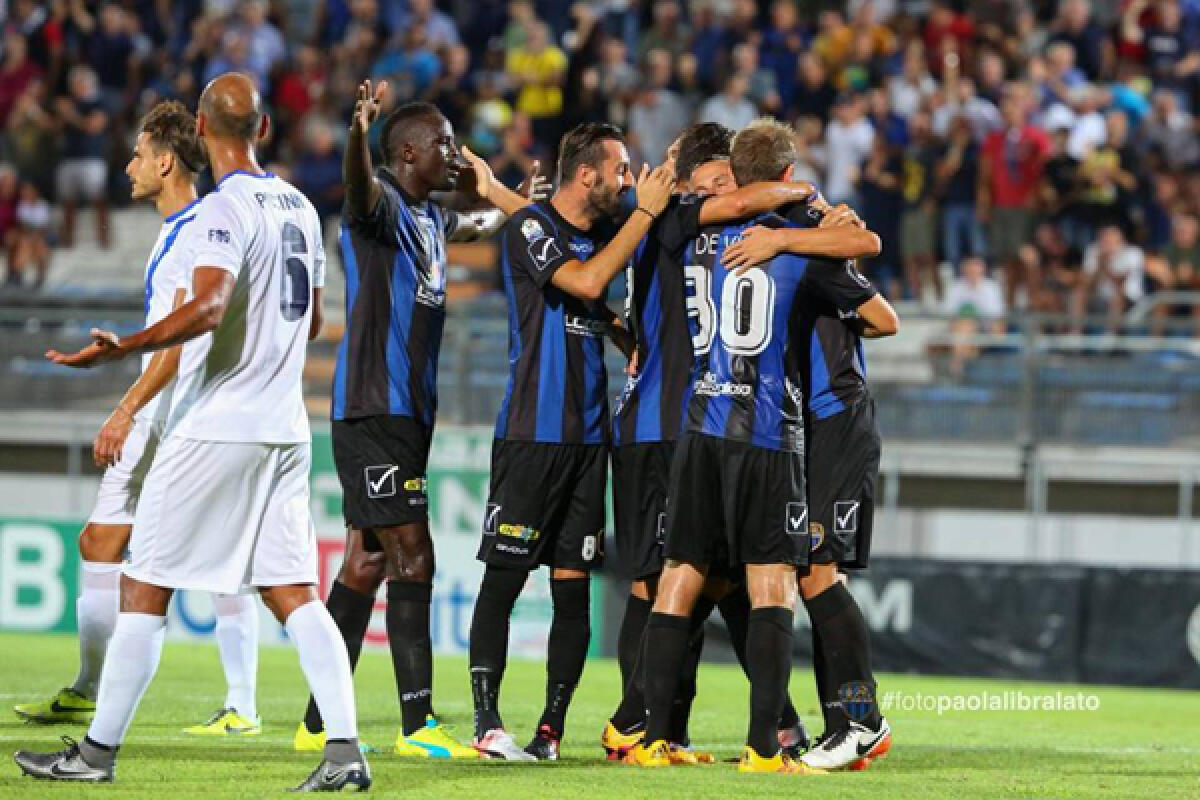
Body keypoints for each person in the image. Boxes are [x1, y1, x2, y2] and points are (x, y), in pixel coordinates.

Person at [16, 73, 367, 792]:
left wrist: (126, 346)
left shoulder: (220, 212)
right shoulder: (301, 206)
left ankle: (95, 755)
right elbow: (321, 320)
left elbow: (207, 308)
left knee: (143, 586)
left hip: (218, 426)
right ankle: (345, 753)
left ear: (202, 132)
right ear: (263, 127)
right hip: (285, 428)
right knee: (294, 591)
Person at [605, 121, 878, 763]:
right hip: (769, 428)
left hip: (699, 422)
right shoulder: (787, 241)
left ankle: (651, 736)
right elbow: (876, 289)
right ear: (782, 177)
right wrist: (813, 216)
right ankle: (800, 735)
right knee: (784, 580)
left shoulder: (686, 229)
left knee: (678, 577)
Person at [294, 82, 532, 761]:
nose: (455, 154)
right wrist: (354, 136)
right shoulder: (381, 209)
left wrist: (520, 199)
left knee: (367, 563)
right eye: (444, 144)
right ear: (406, 153)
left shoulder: (431, 219)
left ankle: (316, 719)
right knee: (413, 556)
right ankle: (417, 726)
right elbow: (357, 187)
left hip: (406, 415)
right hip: (376, 408)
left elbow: (483, 223)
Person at [11, 100, 263, 737]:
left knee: (173, 553)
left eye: (137, 156)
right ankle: (111, 692)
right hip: (182, 411)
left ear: (166, 161)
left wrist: (125, 409)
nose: (127, 168)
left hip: (176, 414)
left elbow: (180, 345)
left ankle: (119, 696)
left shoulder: (205, 226)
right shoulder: (180, 227)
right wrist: (115, 356)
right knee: (145, 547)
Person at [467, 122, 675, 762]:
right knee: (502, 581)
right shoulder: (532, 229)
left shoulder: (591, 230)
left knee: (571, 588)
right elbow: (584, 283)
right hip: (533, 433)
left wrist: (616, 325)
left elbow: (596, 291)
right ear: (586, 174)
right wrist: (644, 215)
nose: (627, 181)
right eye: (618, 169)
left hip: (590, 442)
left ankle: (550, 730)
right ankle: (486, 723)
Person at [719, 119, 898, 773]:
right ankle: (840, 722)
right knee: (805, 568)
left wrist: (809, 253)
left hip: (837, 414)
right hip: (799, 424)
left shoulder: (806, 233)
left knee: (819, 567)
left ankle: (861, 717)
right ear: (787, 173)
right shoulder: (792, 234)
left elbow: (884, 318)